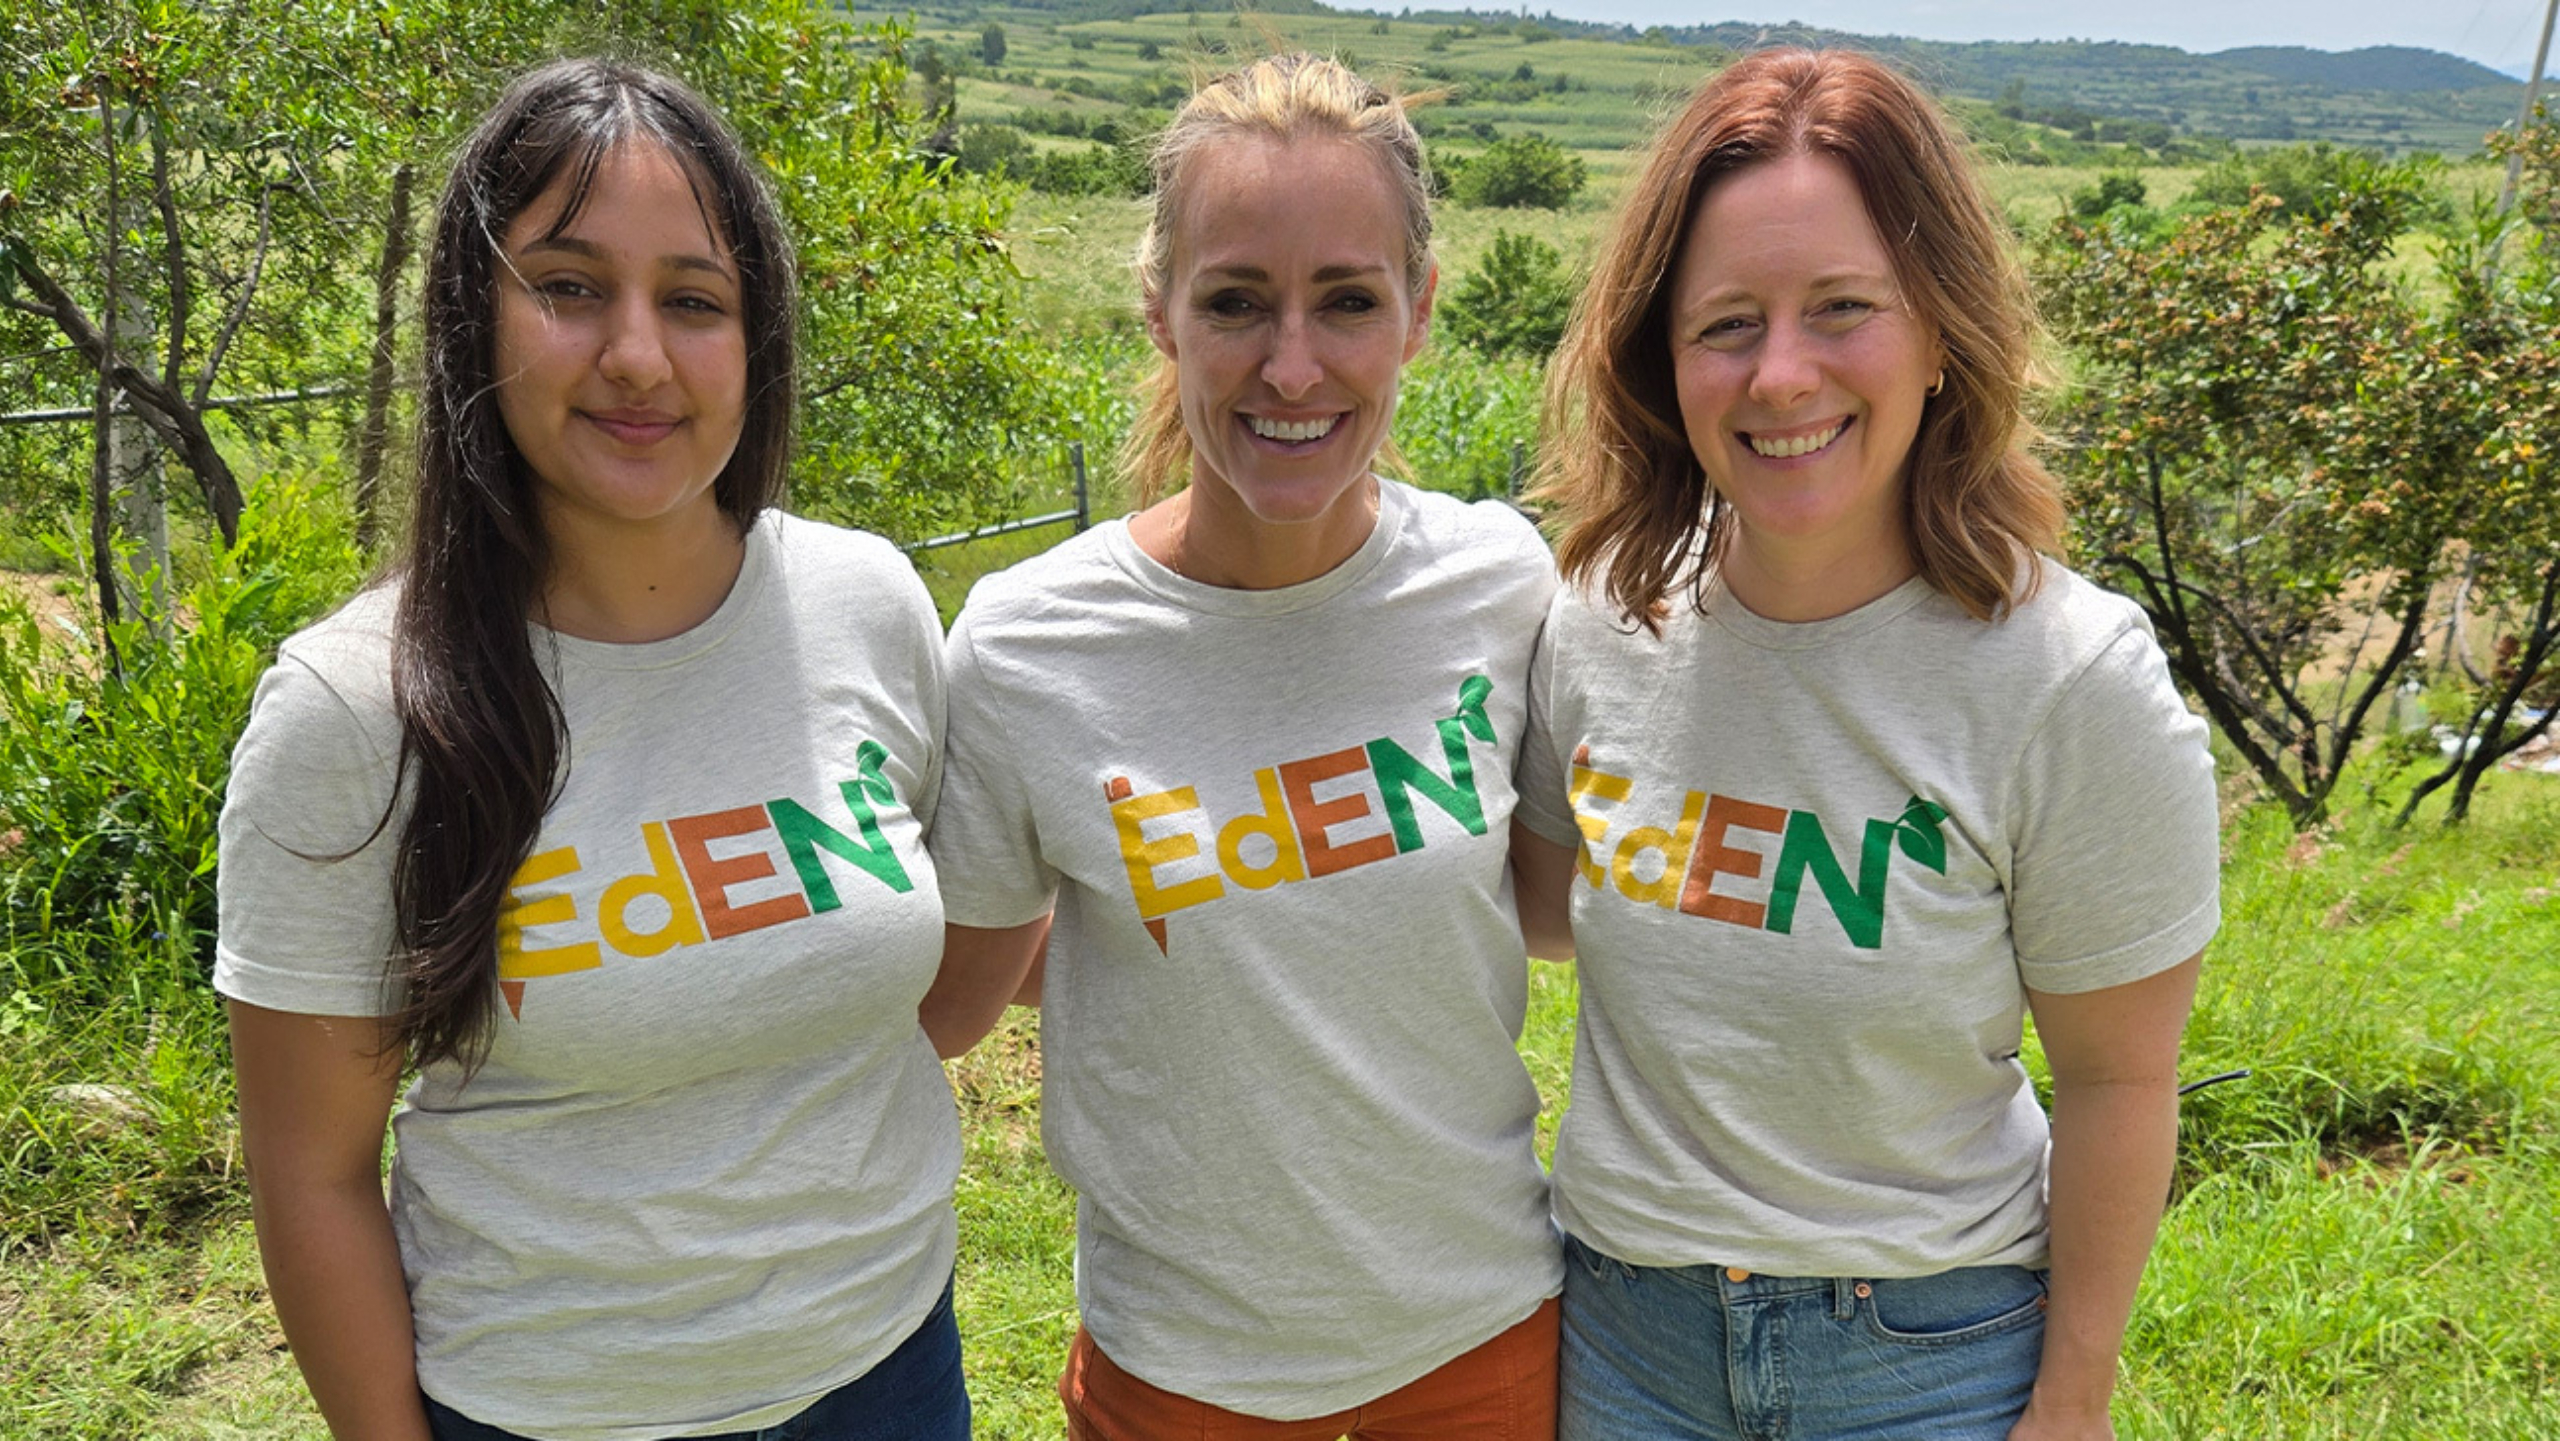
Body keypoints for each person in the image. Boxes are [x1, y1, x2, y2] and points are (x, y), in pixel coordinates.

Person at [217, 60, 967, 1441]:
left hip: (890, 1368)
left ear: (759, 341)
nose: (638, 353)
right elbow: (313, 1174)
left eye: (695, 299)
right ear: (471, 319)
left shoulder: (872, 604)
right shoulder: (354, 709)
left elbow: (916, 969)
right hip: (542, 1409)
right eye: (569, 286)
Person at [1512, 48, 2220, 1441]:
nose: (1782, 375)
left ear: (1941, 328)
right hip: (1623, 1337)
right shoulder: (1597, 620)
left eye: (1844, 308)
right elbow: (1542, 908)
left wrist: (2073, 1396)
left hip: (1929, 1357)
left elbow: (2119, 1075)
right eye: (1726, 323)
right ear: (1663, 352)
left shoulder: (2069, 680)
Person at [919, 52, 1563, 1441]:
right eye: (1233, 304)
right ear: (1158, 311)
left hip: (1481, 1340)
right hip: (1178, 1369)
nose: (1291, 365)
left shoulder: (1499, 583)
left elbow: (1557, 901)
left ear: (1419, 314)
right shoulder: (1030, 643)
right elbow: (952, 986)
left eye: (1346, 301)